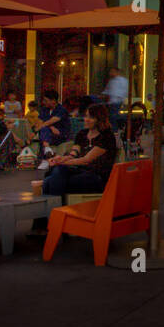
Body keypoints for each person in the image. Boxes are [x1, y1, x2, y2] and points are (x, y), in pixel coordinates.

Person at [30, 104, 118, 234]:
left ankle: (47, 224)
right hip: (80, 172)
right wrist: (61, 159)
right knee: (57, 174)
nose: (86, 119)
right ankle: (54, 224)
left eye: (91, 117)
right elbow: (74, 153)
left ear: (99, 119)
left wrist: (62, 163)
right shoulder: (83, 134)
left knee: (50, 181)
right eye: (86, 116)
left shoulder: (107, 136)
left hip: (97, 177)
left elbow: (86, 160)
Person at [34, 89, 71, 170]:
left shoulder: (61, 110)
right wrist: (50, 127)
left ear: (53, 101)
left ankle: (45, 158)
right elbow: (38, 123)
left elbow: (51, 121)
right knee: (44, 131)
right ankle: (47, 150)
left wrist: (46, 126)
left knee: (43, 131)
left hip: (60, 134)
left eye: (46, 101)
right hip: (49, 134)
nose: (44, 102)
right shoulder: (44, 109)